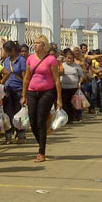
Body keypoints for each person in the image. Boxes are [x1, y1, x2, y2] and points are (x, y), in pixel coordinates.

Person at [22, 34, 62, 163]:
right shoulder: (30, 59)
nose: (35, 45)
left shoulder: (51, 60)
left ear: (44, 46)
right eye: (34, 43)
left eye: (38, 43)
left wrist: (59, 98)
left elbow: (56, 80)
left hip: (47, 92)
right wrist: (23, 95)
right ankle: (41, 142)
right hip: (32, 92)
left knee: (40, 120)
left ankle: (41, 151)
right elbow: (27, 78)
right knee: (32, 121)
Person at [0, 41, 27, 143]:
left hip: (19, 89)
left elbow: (25, 77)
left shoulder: (21, 61)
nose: (7, 53)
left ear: (13, 50)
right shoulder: (6, 61)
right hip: (8, 90)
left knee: (19, 113)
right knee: (8, 112)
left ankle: (20, 134)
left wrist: (25, 93)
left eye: (8, 51)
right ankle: (8, 135)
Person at [59, 48, 84, 122]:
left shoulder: (76, 66)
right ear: (65, 58)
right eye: (68, 58)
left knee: (74, 104)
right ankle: (67, 119)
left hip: (74, 88)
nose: (69, 60)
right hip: (64, 88)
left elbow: (81, 76)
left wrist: (79, 83)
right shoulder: (62, 66)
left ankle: (73, 117)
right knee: (65, 104)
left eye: (71, 58)